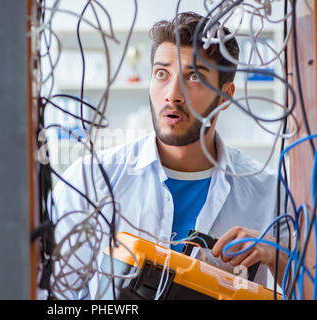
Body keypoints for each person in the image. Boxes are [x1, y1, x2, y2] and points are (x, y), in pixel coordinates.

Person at [48, 12, 289, 299]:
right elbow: (56, 298)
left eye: (194, 77)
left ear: (225, 96)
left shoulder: (269, 193)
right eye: (162, 74)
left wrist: (278, 256)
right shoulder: (89, 181)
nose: (172, 94)